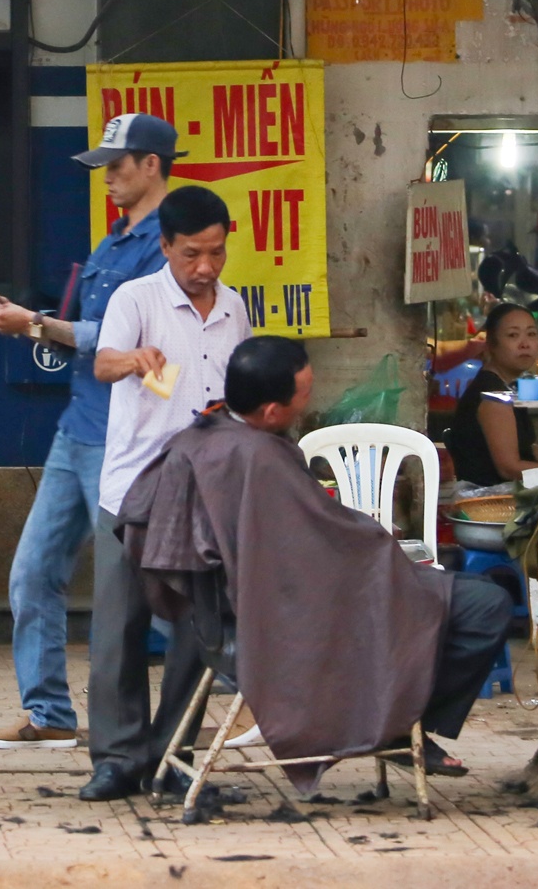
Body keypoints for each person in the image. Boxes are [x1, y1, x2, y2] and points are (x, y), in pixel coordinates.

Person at [118, 336, 512, 788]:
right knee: (486, 606)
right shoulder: (258, 457)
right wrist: (374, 541)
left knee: (440, 601)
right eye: (303, 395)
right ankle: (385, 721)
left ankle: (386, 715)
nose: (310, 401)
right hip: (279, 615)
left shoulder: (200, 434)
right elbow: (320, 555)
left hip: (227, 609)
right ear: (270, 411)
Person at [0, 113, 176, 752]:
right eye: (105, 164)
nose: (108, 175)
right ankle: (50, 713)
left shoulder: (166, 246)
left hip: (131, 440)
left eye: (119, 163)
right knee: (32, 573)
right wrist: (25, 323)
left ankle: (250, 691)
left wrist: (34, 323)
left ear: (152, 164)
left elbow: (129, 343)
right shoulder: (112, 244)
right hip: (77, 429)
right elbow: (86, 336)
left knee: (156, 586)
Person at [80, 183, 251, 801]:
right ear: (165, 246)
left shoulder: (235, 309)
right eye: (190, 255)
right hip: (134, 488)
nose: (204, 268)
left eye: (215, 253)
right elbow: (102, 364)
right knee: (119, 628)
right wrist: (132, 360)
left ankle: (171, 756)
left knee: (200, 631)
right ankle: (116, 759)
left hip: (205, 493)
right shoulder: (136, 298)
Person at [442, 302, 538, 488]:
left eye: (531, 334)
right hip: (492, 500)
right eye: (513, 335)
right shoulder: (493, 395)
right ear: (491, 344)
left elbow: (527, 449)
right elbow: (509, 468)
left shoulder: (505, 387)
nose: (525, 344)